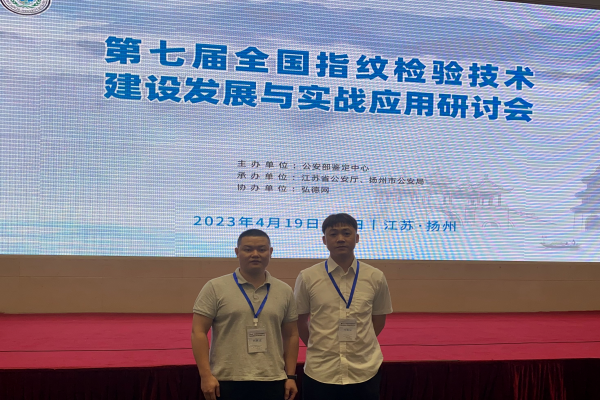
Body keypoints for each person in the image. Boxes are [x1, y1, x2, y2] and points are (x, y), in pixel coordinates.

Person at [294, 213, 393, 400]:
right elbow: (300, 320)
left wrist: (359, 343)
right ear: (324, 240)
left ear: (357, 237)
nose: (340, 239)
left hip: (364, 369)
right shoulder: (307, 277)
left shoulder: (375, 276)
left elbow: (379, 318)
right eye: (333, 234)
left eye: (346, 233)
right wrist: (319, 345)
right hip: (321, 370)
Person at [192, 229, 299, 400]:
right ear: (237, 252)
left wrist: (291, 376)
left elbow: (291, 335)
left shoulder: (284, 290)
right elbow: (198, 332)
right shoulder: (215, 287)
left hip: (273, 379)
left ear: (270, 252)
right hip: (226, 379)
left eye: (262, 249)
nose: (255, 254)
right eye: (248, 249)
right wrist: (205, 376)